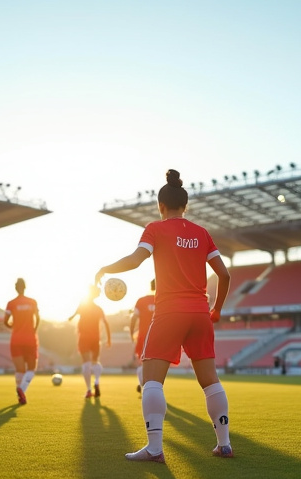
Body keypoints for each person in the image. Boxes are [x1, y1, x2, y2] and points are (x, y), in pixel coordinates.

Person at [95, 169, 233, 462]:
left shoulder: (155, 229)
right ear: (185, 206)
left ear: (160, 206)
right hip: (200, 313)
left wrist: (105, 268)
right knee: (210, 381)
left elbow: (135, 260)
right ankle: (224, 444)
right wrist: (217, 308)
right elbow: (224, 274)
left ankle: (155, 449)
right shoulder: (202, 233)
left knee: (152, 381)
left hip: (170, 312)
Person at [68, 285, 111, 398]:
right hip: (95, 338)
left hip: (84, 338)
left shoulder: (83, 305)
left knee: (86, 363)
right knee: (95, 362)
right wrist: (109, 339)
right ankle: (96, 381)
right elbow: (106, 323)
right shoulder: (98, 308)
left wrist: (71, 317)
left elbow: (74, 314)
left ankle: (88, 389)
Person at [4, 278, 40, 404]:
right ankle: (21, 389)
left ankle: (20, 393)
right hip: (30, 338)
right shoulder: (32, 302)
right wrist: (33, 330)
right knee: (31, 369)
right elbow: (38, 318)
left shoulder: (11, 303)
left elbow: (5, 321)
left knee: (20, 370)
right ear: (25, 287)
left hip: (16, 339)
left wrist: (13, 327)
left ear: (15, 288)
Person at [130, 279, 156, 394]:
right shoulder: (164, 300)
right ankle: (153, 388)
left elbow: (133, 318)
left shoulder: (141, 301)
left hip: (143, 335)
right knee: (156, 363)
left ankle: (144, 386)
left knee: (142, 361)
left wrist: (131, 333)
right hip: (159, 336)